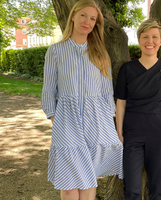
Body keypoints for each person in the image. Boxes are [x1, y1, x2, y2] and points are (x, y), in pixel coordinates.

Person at [41, 1, 123, 199]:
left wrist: (108, 122)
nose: (88, 21)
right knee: (69, 184)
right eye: (84, 15)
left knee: (88, 179)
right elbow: (49, 88)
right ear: (73, 16)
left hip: (96, 121)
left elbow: (105, 92)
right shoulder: (55, 51)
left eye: (93, 18)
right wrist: (53, 117)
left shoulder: (100, 53)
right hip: (66, 121)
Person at [115, 19, 161, 200]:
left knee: (157, 187)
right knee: (132, 188)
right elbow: (121, 102)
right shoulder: (127, 69)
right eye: (145, 36)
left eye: (154, 37)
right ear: (139, 39)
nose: (149, 41)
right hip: (132, 133)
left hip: (160, 133)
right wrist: (119, 131)